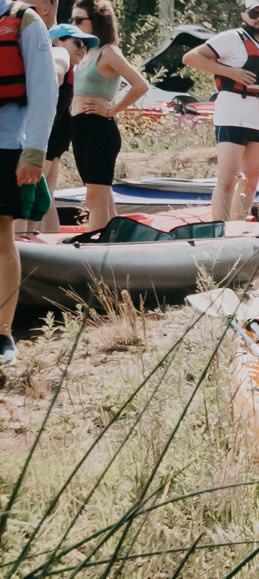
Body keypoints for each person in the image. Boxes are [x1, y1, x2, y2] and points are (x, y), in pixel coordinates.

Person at [0, 0, 55, 365]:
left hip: (6, 144)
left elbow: (44, 89)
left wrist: (34, 152)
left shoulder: (24, 20)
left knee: (1, 233)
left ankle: (2, 332)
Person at [183, 2, 259, 223]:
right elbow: (191, 57)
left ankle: (238, 227)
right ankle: (220, 229)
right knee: (227, 180)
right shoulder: (232, 38)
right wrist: (231, 73)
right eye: (254, 13)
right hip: (233, 115)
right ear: (244, 15)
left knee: (251, 180)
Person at [62, 0, 142, 232]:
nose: (73, 24)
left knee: (94, 199)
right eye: (72, 20)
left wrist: (112, 109)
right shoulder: (84, 52)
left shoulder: (108, 52)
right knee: (102, 198)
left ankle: (94, 246)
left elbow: (140, 85)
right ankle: (115, 240)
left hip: (99, 128)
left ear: (96, 21)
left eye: (79, 20)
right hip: (79, 128)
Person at [25, 0, 63, 233]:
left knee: (33, 202)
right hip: (39, 137)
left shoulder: (55, 49)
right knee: (44, 200)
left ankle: (29, 242)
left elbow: (55, 76)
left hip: (39, 138)